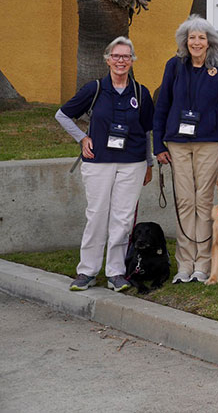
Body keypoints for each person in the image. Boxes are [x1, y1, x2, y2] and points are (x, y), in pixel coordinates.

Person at [56, 37, 154, 293]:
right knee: (97, 216)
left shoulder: (141, 93)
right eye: (116, 56)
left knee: (122, 219)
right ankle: (86, 271)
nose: (121, 61)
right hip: (98, 162)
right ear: (108, 59)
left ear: (132, 61)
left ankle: (116, 273)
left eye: (126, 57)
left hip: (132, 163)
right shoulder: (95, 88)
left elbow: (146, 132)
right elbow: (62, 115)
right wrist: (83, 137)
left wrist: (149, 164)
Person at [153, 15, 218, 284]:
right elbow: (162, 106)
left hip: (210, 143)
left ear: (209, 41)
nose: (196, 42)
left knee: (204, 202)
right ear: (184, 41)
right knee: (185, 202)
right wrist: (158, 145)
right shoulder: (174, 66)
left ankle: (202, 263)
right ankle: (184, 264)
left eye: (201, 37)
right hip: (177, 144)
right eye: (192, 37)